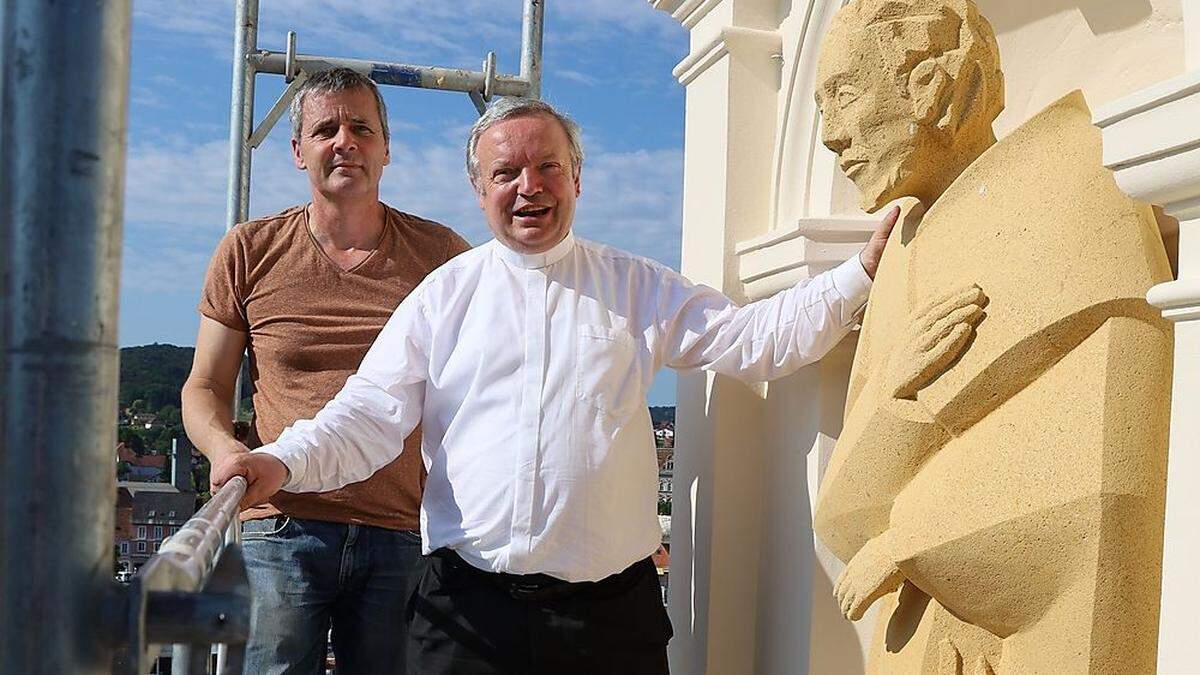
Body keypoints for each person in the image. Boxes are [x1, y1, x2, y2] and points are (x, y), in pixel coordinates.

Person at [212, 96, 896, 675]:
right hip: (464, 615)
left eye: (547, 168)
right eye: (505, 172)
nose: (527, 186)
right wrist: (280, 461)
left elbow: (753, 340)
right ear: (480, 191)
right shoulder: (443, 296)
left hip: (608, 623)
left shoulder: (636, 286)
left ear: (577, 180)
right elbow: (366, 417)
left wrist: (859, 275)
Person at [181, 67, 470, 674]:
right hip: (282, 523)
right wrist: (224, 451)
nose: (346, 141)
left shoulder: (440, 255)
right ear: (297, 151)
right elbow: (206, 384)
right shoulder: (249, 250)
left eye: (362, 128)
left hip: (401, 529)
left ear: (386, 148)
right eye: (326, 129)